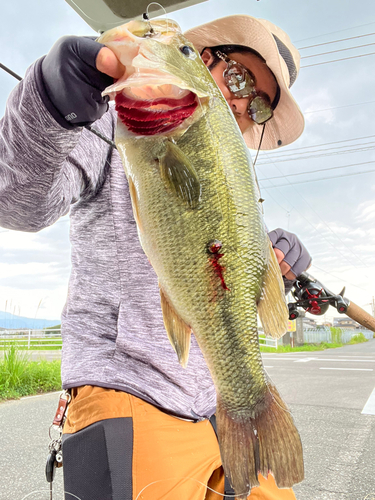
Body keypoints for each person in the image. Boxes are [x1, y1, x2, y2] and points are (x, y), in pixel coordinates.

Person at [0, 14, 311, 500]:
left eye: (260, 106)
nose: (241, 103)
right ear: (203, 58)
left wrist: (272, 257)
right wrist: (47, 105)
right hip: (127, 387)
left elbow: (213, 249)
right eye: (238, 77)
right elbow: (16, 203)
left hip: (217, 401)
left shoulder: (236, 174)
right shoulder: (110, 115)